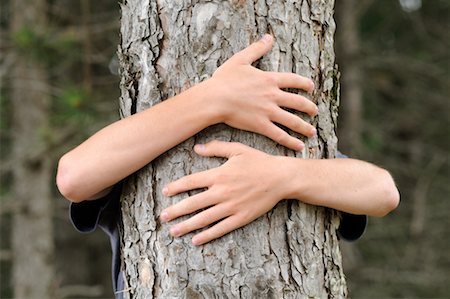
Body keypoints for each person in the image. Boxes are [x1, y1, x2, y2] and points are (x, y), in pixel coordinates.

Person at [56, 35, 399, 295]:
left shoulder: (294, 150)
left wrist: (281, 176)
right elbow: (74, 176)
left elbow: (381, 190)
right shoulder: (140, 148)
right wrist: (214, 99)